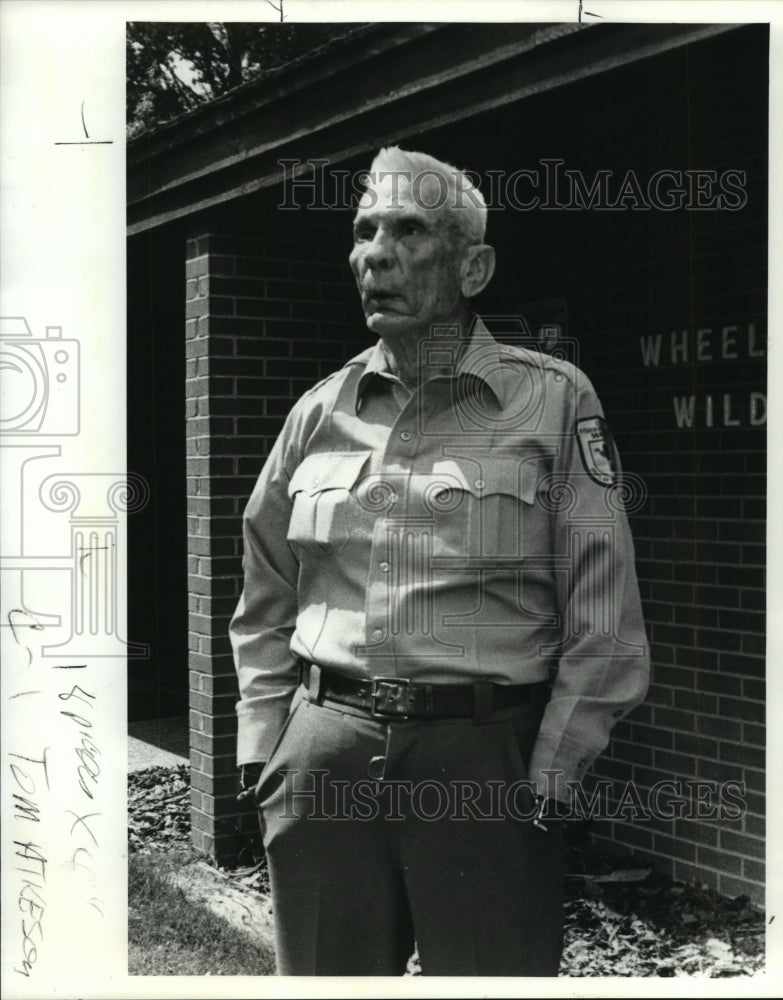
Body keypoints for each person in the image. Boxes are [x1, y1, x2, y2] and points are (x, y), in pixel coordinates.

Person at [230, 146, 650, 976]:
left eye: (409, 230)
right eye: (363, 231)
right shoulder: (318, 412)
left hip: (484, 759)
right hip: (323, 752)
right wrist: (267, 745)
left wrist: (553, 769)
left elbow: (603, 612)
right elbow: (266, 591)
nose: (374, 253)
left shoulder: (553, 399)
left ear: (473, 265)